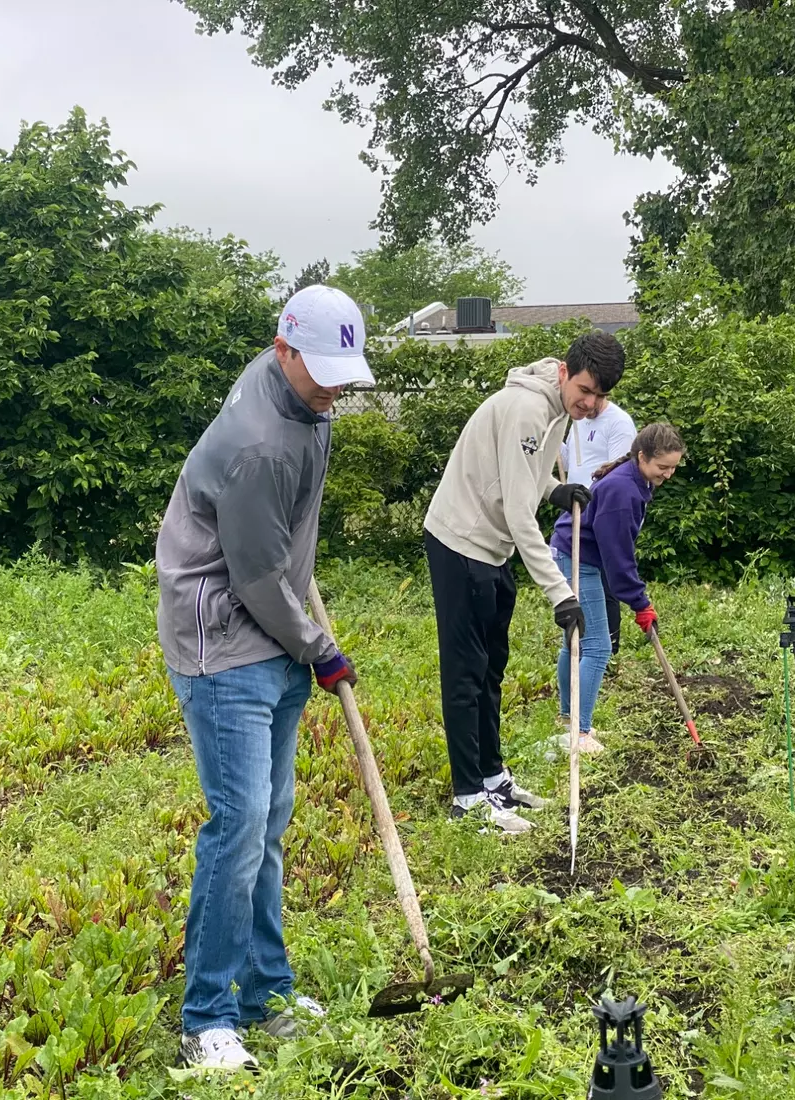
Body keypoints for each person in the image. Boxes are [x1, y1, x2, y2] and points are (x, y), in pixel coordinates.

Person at [155, 285, 372, 1072]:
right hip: (224, 638)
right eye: (320, 371)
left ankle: (265, 990)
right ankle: (207, 1016)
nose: (334, 387)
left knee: (269, 822)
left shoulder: (304, 402)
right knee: (239, 826)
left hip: (273, 625)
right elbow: (252, 572)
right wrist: (318, 647)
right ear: (282, 349)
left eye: (343, 370)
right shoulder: (257, 442)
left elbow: (278, 549)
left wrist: (300, 634)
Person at [424, 331, 627, 835]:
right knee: (466, 672)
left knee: (492, 666)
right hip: (460, 541)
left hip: (492, 548)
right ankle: (469, 797)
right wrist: (561, 591)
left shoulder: (559, 411)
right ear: (564, 371)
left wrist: (556, 489)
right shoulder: (526, 410)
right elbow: (518, 513)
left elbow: (524, 476)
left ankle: (493, 777)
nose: (590, 403)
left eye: (600, 396)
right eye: (585, 390)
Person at [551, 423, 687, 751]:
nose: (668, 475)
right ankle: (578, 734)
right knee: (597, 645)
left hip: (575, 553)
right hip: (576, 557)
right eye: (662, 467)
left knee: (576, 642)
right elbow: (618, 556)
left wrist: (636, 599)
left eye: (673, 468)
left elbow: (616, 551)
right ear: (642, 457)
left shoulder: (635, 479)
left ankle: (569, 723)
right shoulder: (623, 491)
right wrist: (640, 602)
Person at [559, 395, 637, 658]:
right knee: (580, 583)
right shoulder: (579, 420)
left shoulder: (619, 423)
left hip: (599, 515)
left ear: (601, 395)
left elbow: (618, 474)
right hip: (575, 513)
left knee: (606, 582)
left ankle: (610, 649)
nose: (583, 408)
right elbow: (571, 460)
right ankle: (583, 646)